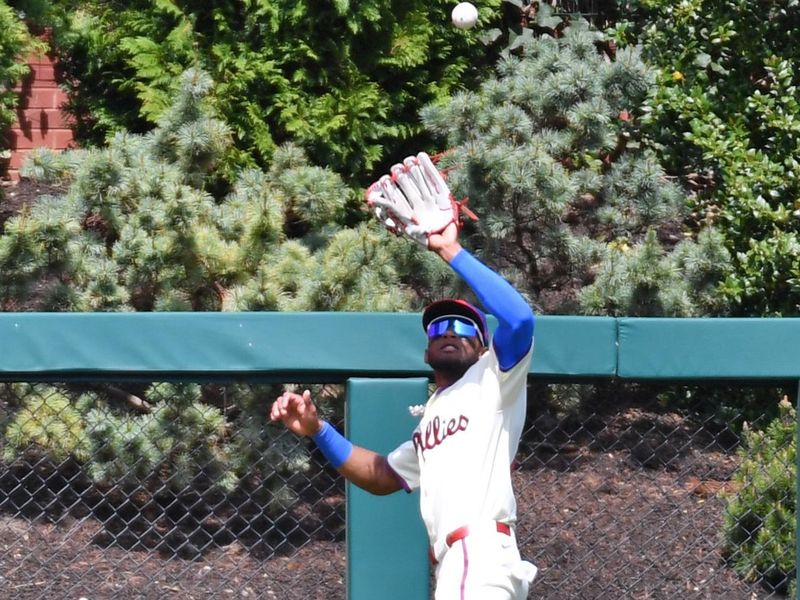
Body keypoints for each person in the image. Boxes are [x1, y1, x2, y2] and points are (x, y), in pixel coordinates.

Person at [269, 219, 537, 599]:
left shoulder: (494, 378)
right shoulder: (434, 414)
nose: (448, 331)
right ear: (426, 351)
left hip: (479, 553)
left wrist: (449, 250)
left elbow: (520, 319)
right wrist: (319, 431)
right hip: (460, 562)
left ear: (482, 347)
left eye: (464, 328)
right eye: (439, 327)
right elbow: (382, 475)